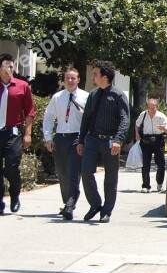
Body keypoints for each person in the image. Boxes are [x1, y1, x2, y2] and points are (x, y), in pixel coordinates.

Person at [77, 60, 130, 223]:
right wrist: (81, 140)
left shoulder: (118, 95)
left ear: (104, 77)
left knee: (110, 177)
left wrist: (118, 140)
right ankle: (95, 204)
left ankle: (106, 211)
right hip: (92, 139)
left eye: (95, 74)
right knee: (86, 172)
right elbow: (86, 119)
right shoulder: (93, 95)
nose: (93, 76)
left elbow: (125, 120)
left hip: (110, 141)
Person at [42, 67, 88, 220]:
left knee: (74, 171)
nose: (70, 81)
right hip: (61, 137)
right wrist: (48, 137)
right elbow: (48, 117)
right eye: (67, 78)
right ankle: (66, 201)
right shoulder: (57, 97)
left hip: (77, 137)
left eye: (73, 78)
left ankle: (70, 205)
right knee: (62, 172)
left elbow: (90, 120)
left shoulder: (85, 97)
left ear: (78, 80)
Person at [0, 54, 35, 215]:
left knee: (12, 167)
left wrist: (27, 134)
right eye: (6, 66)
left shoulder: (22, 86)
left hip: (12, 133)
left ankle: (15, 195)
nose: (10, 69)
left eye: (12, 66)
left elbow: (29, 111)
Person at [135, 97, 167, 193]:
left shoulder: (161, 116)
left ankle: (159, 183)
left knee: (161, 164)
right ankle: (146, 185)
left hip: (158, 141)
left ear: (157, 107)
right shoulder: (143, 114)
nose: (152, 110)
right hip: (146, 141)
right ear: (147, 107)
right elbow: (137, 124)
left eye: (154, 108)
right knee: (145, 164)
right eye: (150, 108)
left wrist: (164, 129)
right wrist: (137, 134)